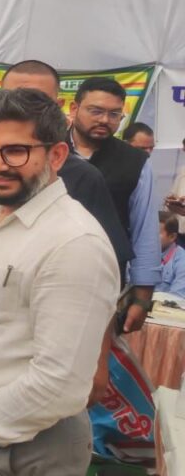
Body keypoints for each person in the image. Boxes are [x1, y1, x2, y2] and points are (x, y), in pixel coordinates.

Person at [0, 88, 118, 475]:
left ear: (56, 155)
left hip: (29, 447)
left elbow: (58, 385)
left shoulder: (75, 243)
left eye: (16, 151)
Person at [0, 61, 134, 403]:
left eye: (35, 101)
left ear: (58, 107)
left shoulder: (82, 177)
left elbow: (105, 279)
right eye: (12, 98)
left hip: (46, 351)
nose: (20, 110)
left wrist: (98, 361)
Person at [70, 77, 160, 332]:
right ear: (74, 109)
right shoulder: (49, 150)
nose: (104, 120)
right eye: (95, 111)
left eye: (114, 114)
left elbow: (145, 230)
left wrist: (142, 297)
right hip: (43, 271)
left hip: (104, 279)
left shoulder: (135, 162)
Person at [158, 211, 185, 298]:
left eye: (155, 233)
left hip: (164, 305)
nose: (149, 237)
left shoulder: (182, 260)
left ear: (172, 237)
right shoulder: (139, 254)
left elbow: (176, 297)